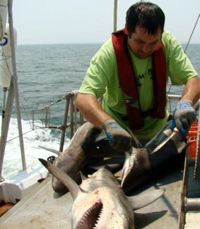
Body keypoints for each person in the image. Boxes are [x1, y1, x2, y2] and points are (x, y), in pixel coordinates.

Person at [76, 1, 200, 152]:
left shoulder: (168, 42)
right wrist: (108, 124)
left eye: (153, 42)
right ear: (127, 29)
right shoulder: (109, 53)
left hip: (159, 133)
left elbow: (192, 79)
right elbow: (84, 98)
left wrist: (185, 102)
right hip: (119, 134)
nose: (146, 49)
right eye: (140, 41)